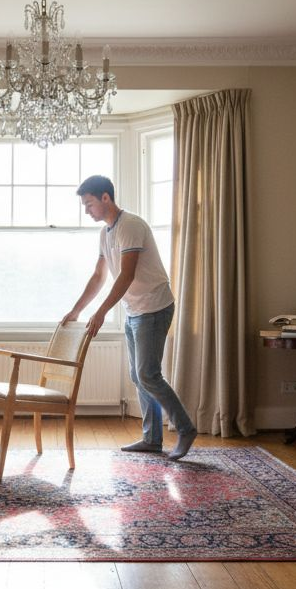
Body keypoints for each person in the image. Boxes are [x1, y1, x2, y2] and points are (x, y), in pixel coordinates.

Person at [61, 175, 198, 460]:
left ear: (105, 198)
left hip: (154, 307)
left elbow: (127, 274)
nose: (87, 210)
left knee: (149, 374)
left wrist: (101, 312)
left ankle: (185, 428)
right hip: (134, 310)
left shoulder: (131, 226)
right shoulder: (105, 233)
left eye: (89, 204)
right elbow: (98, 276)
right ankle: (152, 439)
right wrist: (77, 310)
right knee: (138, 376)